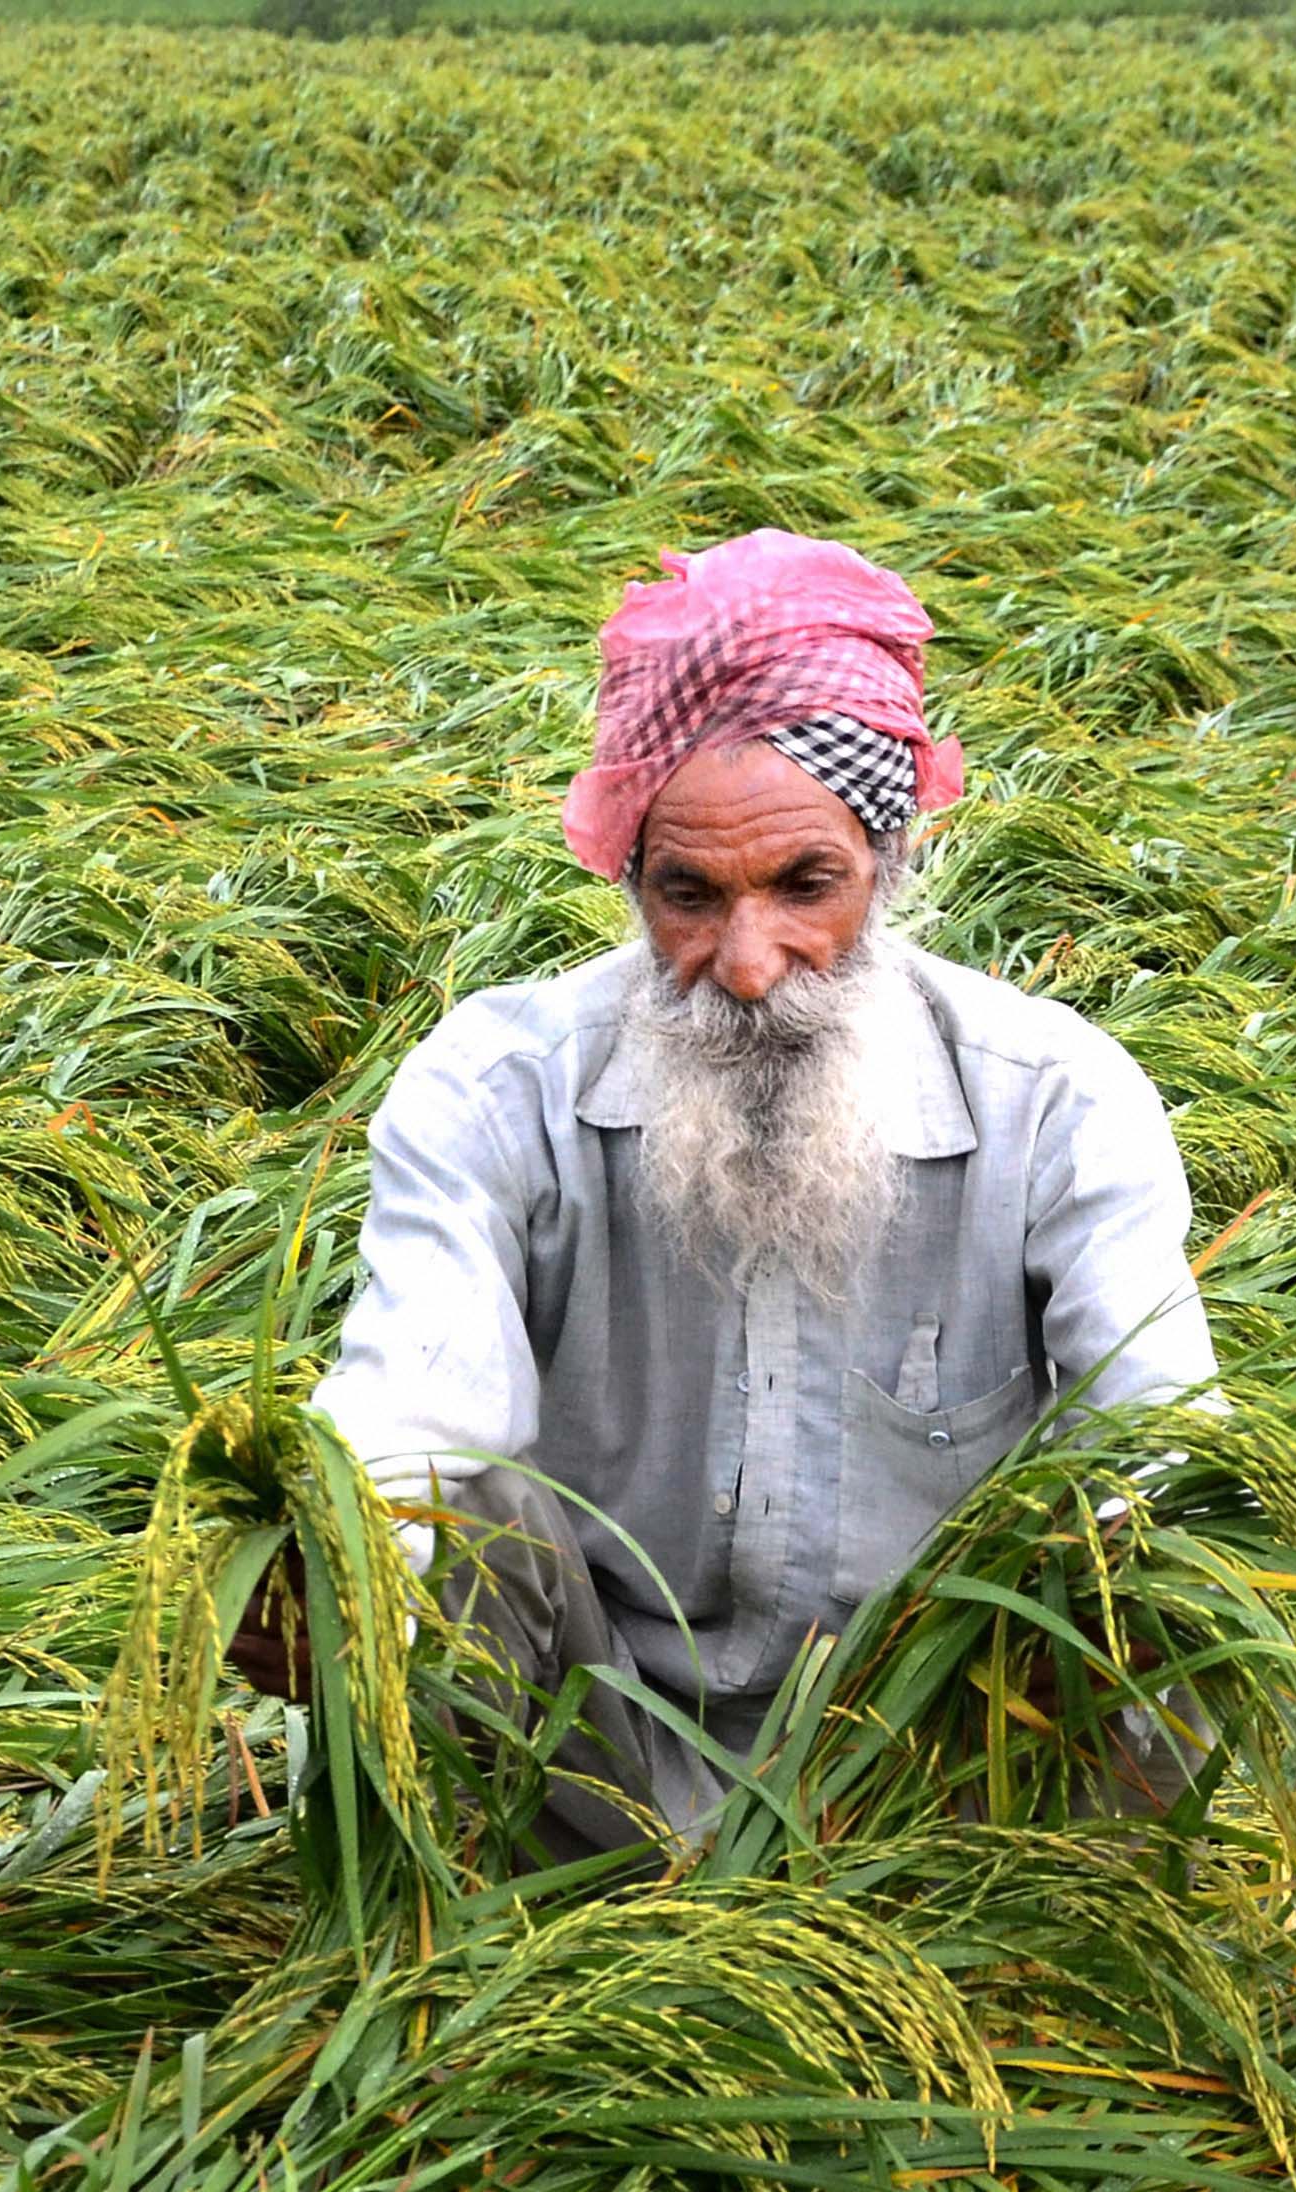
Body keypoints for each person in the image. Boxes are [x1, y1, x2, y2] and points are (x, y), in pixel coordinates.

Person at [270, 529, 1217, 1851]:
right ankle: (500, 1887)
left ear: (888, 864)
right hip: (586, 1754)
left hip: (946, 1753)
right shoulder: (500, 1088)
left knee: (1155, 1560)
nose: (749, 961)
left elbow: (1163, 1428)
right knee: (448, 1508)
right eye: (690, 896)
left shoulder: (1053, 1100)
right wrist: (335, 1563)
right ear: (628, 880)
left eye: (804, 885)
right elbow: (412, 1398)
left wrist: (1112, 1601)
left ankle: (1037, 1922)